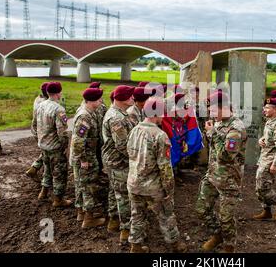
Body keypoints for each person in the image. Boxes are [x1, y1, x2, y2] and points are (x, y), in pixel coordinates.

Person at [126, 97, 187, 253]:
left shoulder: (134, 130)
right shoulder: (159, 135)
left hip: (134, 184)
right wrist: (169, 190)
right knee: (166, 215)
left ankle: (136, 246)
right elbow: (165, 168)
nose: (163, 116)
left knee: (137, 215)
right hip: (153, 187)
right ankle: (175, 245)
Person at [196, 91, 247, 253]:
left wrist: (212, 134)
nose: (209, 114)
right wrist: (211, 133)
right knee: (201, 209)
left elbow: (225, 156)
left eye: (212, 109)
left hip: (228, 180)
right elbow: (213, 149)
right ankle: (217, 235)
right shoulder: (218, 123)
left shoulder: (235, 129)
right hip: (212, 176)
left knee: (226, 218)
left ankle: (229, 247)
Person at [102, 85, 136, 242]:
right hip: (119, 161)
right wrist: (136, 159)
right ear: (122, 99)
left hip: (114, 161)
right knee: (123, 196)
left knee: (114, 191)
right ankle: (126, 230)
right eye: (130, 96)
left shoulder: (120, 113)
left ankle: (113, 221)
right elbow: (123, 145)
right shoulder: (117, 118)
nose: (133, 99)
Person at [70, 87, 107, 228]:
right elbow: (78, 141)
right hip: (85, 158)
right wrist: (83, 160)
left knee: (81, 185)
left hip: (84, 156)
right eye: (99, 99)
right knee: (88, 187)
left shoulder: (87, 112)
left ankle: (81, 213)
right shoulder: (85, 116)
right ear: (93, 101)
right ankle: (89, 218)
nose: (101, 101)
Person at [253, 97, 276, 221]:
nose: (264, 109)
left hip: (271, 159)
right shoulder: (270, 121)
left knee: (263, 187)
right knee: (259, 186)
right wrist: (261, 139)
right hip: (264, 157)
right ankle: (266, 211)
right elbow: (269, 137)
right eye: (265, 107)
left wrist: (275, 164)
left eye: (267, 107)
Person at [35, 82, 71, 207]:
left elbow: (34, 125)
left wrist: (39, 139)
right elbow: (62, 132)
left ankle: (43, 192)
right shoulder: (58, 109)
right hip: (55, 147)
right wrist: (65, 146)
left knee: (47, 170)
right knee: (59, 173)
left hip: (43, 145)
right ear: (58, 93)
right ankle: (58, 199)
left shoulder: (40, 105)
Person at [26, 82, 49, 182]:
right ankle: (35, 169)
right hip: (42, 130)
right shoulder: (45, 103)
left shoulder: (37, 99)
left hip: (36, 128)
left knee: (45, 151)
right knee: (47, 151)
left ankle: (34, 169)